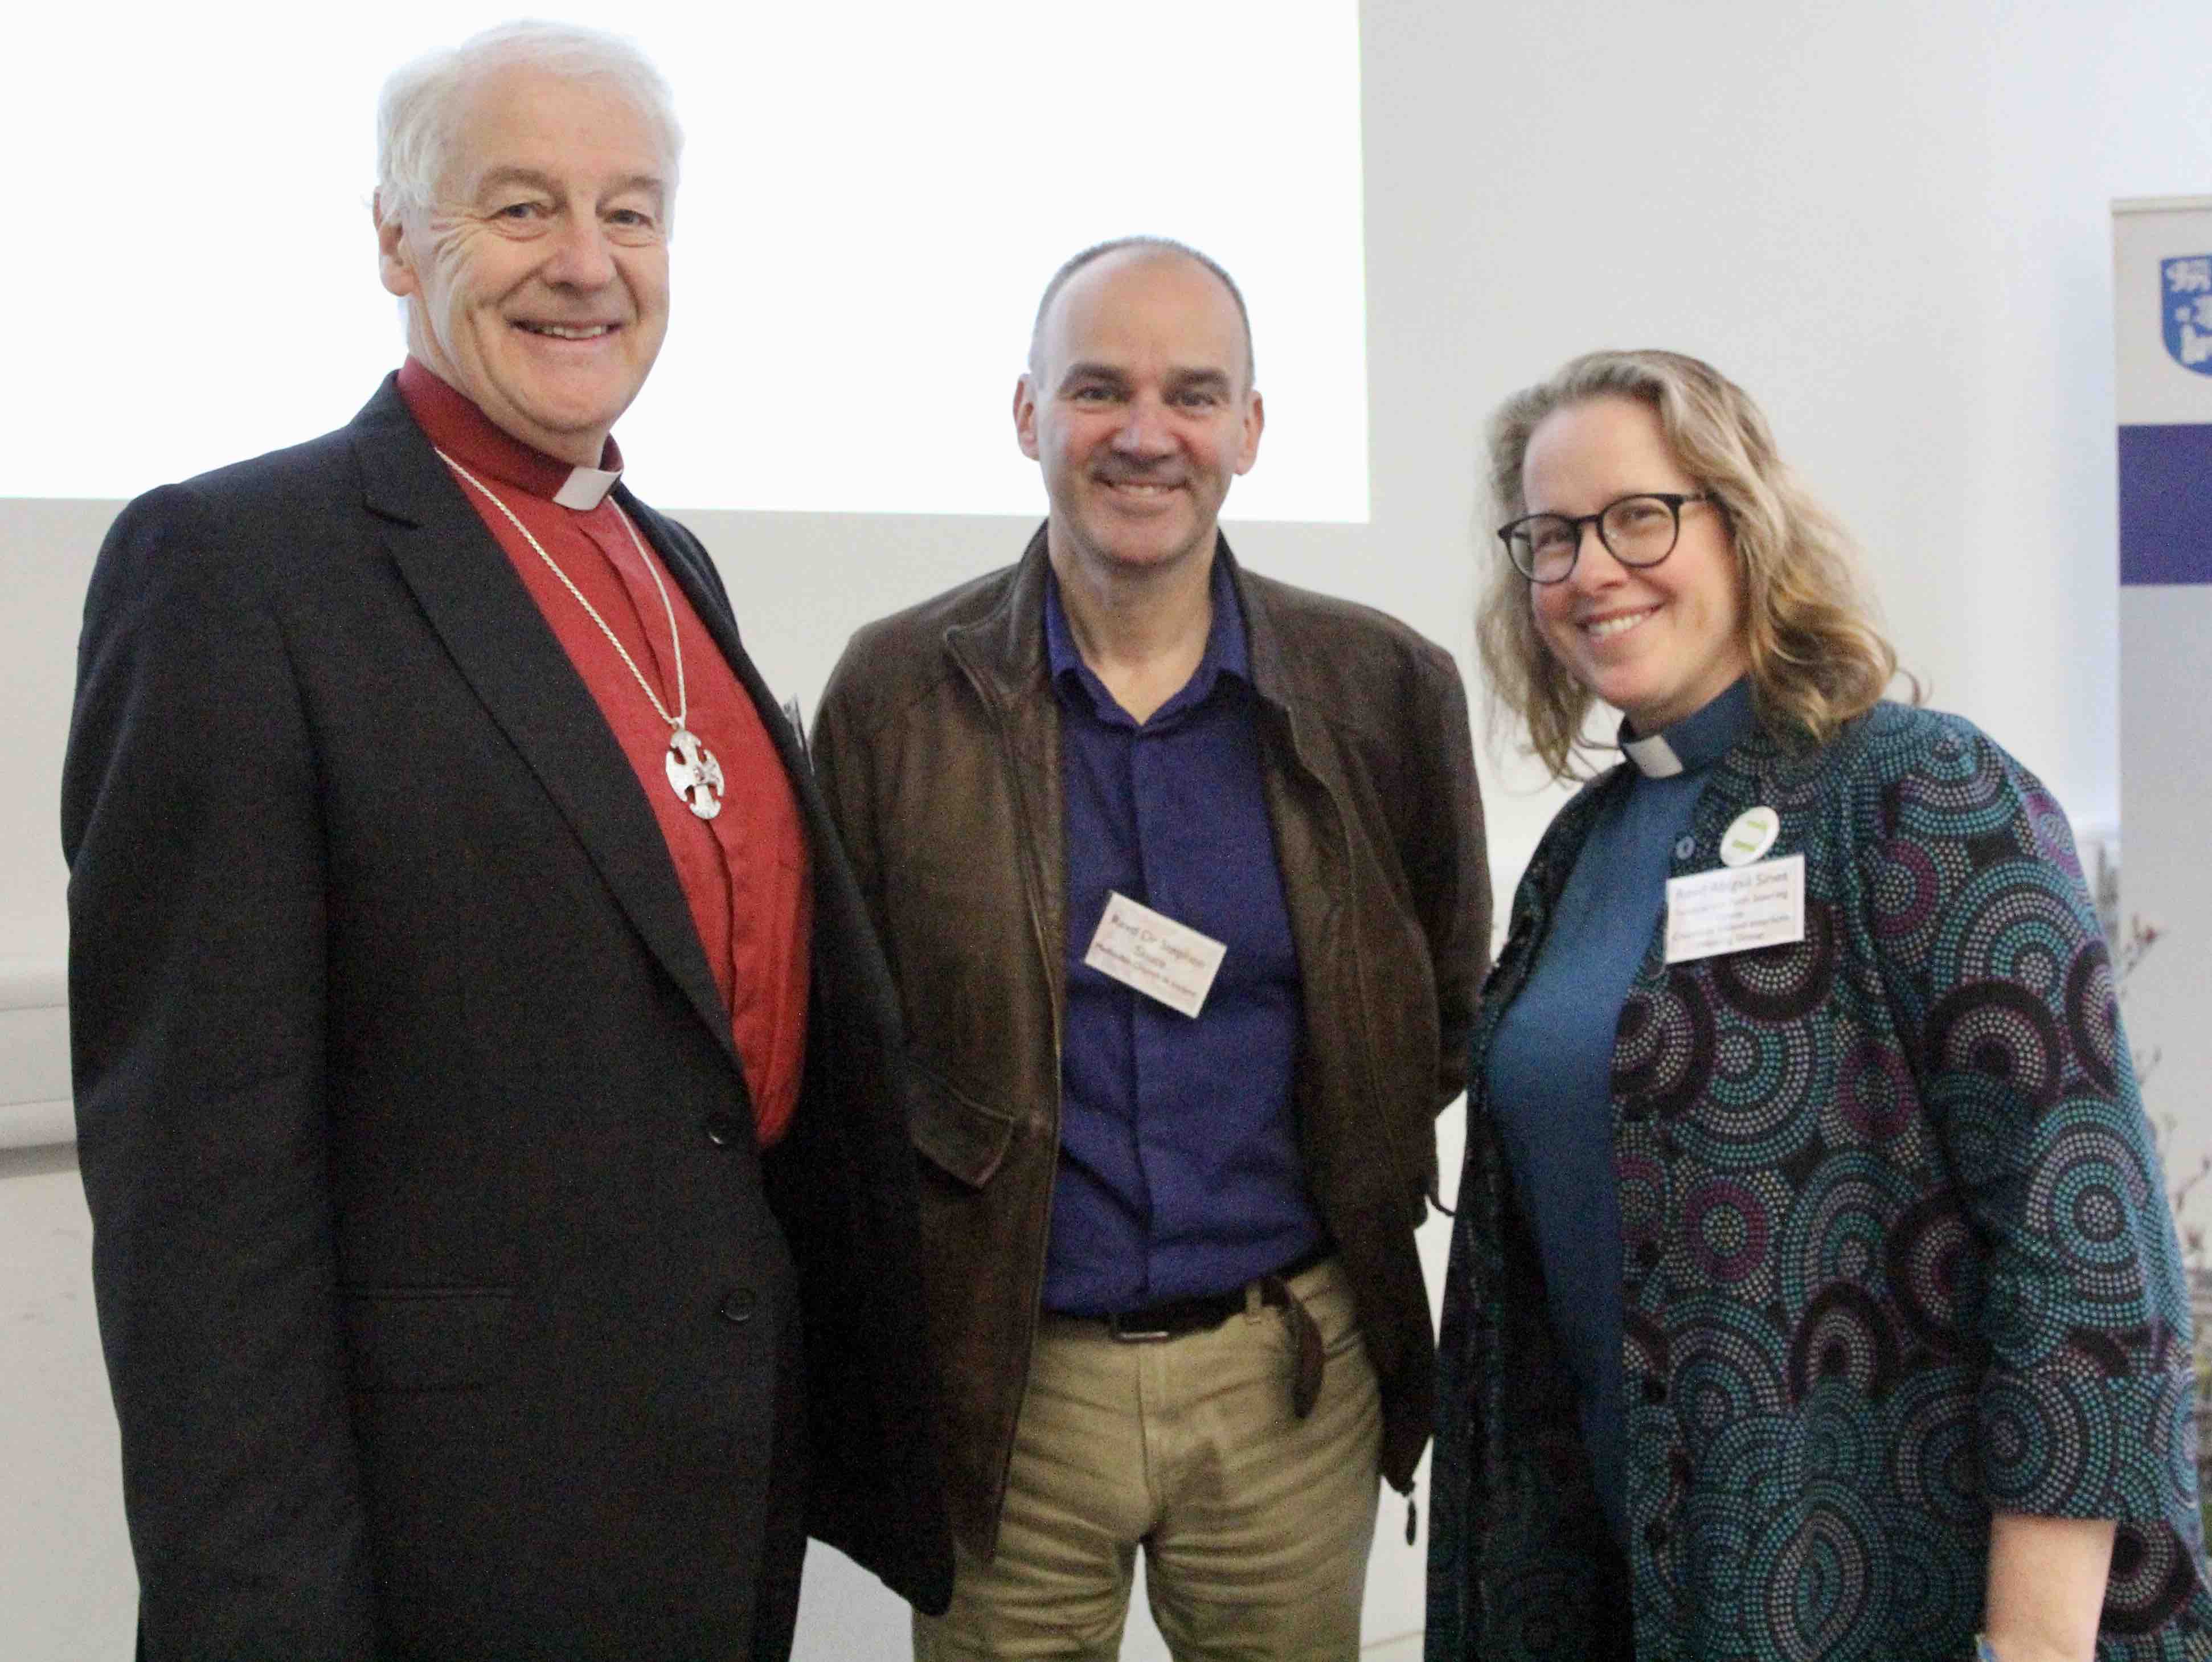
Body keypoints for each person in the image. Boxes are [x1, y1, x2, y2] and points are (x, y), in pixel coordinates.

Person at [61, 21, 948, 1660]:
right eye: (521, 208)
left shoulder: (666, 558)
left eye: (632, 211)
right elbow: (202, 1204)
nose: (587, 266)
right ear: (395, 239)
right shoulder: (235, 567)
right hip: (443, 1546)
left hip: (707, 1503)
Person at [1425, 348, 2212, 1661]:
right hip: (1626, 1580)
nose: (1589, 570)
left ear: (1743, 525)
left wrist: (2033, 1646)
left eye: (1638, 516)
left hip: (1907, 1597)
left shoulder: (1917, 793)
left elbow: (2086, 1248)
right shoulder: (1577, 850)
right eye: (1550, 537)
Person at [812, 236, 1488, 1659]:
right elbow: (850, 1038)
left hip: (1287, 1381)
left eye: (1192, 394)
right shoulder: (892, 692)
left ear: (1250, 427)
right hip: (1010, 1387)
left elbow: (1434, 1011)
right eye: (1097, 389)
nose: (1143, 434)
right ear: (1026, 416)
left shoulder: (1383, 689)